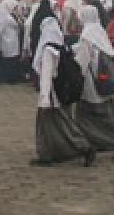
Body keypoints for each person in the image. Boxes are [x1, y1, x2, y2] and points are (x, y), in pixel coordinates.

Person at [32, 16, 95, 167]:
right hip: (60, 92)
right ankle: (47, 154)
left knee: (63, 125)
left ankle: (85, 148)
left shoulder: (48, 50)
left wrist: (45, 98)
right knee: (49, 125)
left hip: (52, 94)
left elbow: (46, 75)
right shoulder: (62, 46)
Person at [73, 5, 114, 159]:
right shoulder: (100, 33)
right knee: (112, 118)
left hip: (91, 85)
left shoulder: (86, 36)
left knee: (82, 117)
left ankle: (88, 146)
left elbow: (82, 62)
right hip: (106, 83)